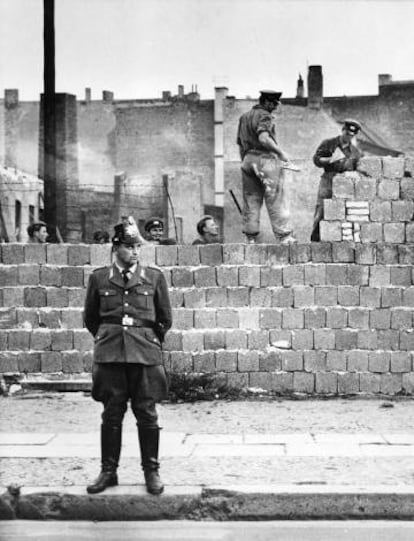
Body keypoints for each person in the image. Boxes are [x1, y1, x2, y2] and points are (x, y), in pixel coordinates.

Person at [84, 216, 172, 495]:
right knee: (111, 415)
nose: (135, 251)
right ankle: (108, 472)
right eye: (129, 246)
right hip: (110, 355)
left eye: (138, 247)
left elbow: (164, 319)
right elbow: (91, 319)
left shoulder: (154, 277)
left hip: (144, 355)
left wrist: (145, 339)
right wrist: (110, 337)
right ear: (116, 247)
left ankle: (152, 472)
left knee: (147, 414)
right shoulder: (99, 277)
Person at [236, 89, 297, 244]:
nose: (275, 107)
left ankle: (250, 238)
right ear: (267, 102)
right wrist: (281, 153)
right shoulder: (265, 115)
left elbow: (240, 145)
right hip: (265, 160)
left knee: (251, 199)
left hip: (247, 160)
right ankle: (284, 237)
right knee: (275, 196)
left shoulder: (244, 117)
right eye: (274, 104)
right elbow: (263, 138)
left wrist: (247, 162)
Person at [310, 118, 364, 241]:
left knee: (343, 212)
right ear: (343, 130)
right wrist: (329, 160)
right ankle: (315, 241)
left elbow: (357, 169)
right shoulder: (328, 143)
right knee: (321, 210)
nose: (348, 137)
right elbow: (316, 160)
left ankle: (336, 242)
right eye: (347, 134)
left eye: (352, 135)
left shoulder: (355, 152)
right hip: (328, 180)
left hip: (345, 183)